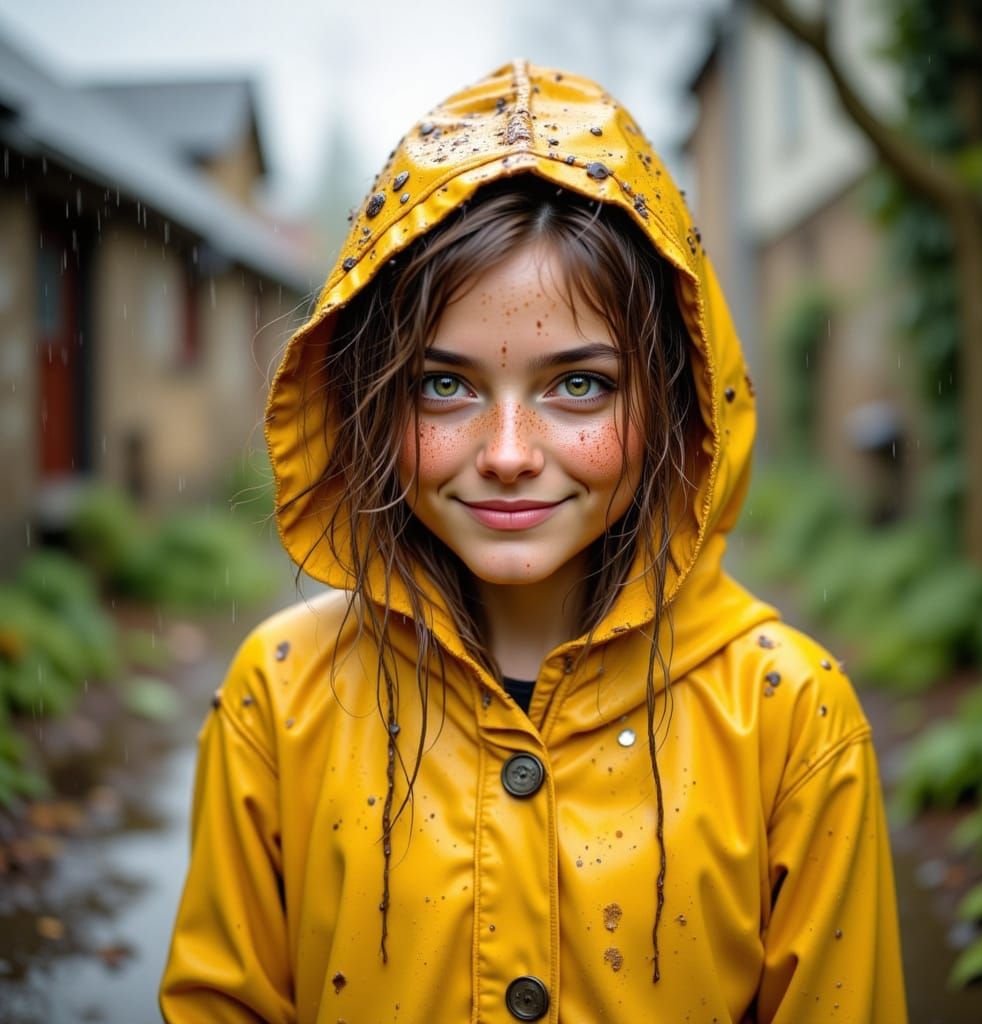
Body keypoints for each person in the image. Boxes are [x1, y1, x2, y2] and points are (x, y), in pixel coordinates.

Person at [160, 60, 907, 1022]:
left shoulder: (787, 720)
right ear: (370, 406)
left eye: (579, 384)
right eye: (446, 385)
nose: (508, 455)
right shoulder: (280, 698)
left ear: (676, 405)